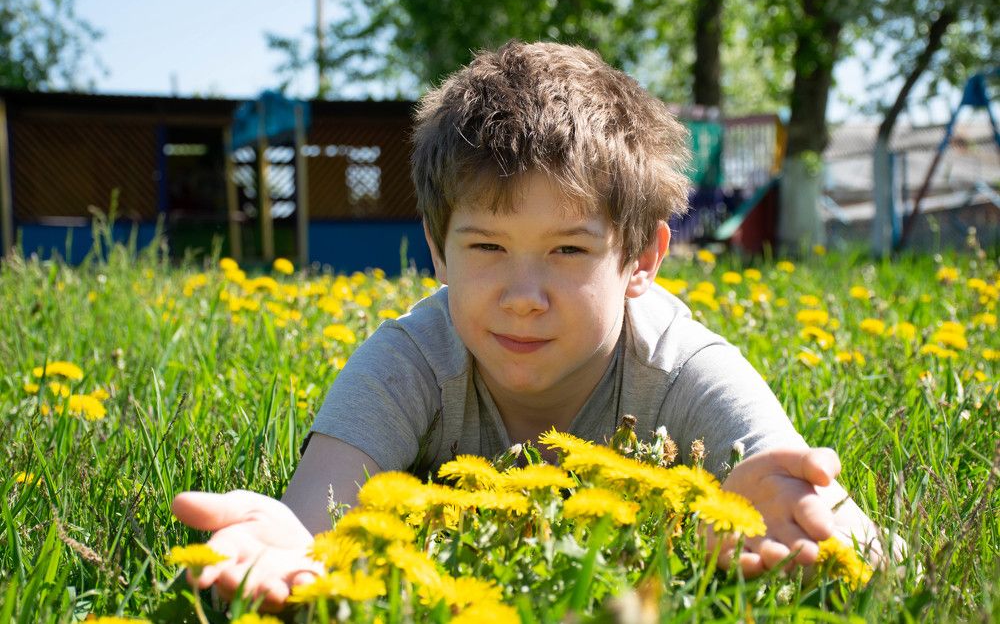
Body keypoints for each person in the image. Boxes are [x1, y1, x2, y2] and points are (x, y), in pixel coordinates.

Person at [172, 40, 884, 611]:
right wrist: (286, 546)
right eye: (486, 247)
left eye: (568, 250)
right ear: (437, 249)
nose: (522, 296)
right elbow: (314, 516)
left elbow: (841, 524)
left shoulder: (680, 367)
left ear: (643, 259)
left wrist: (822, 526)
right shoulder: (408, 362)